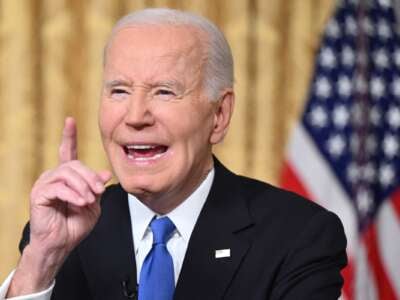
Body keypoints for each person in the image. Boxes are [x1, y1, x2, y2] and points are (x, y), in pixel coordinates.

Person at [0, 8, 347, 300]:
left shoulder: (298, 237)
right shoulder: (58, 237)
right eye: (119, 91)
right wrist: (41, 261)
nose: (135, 116)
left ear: (219, 115)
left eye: (164, 92)